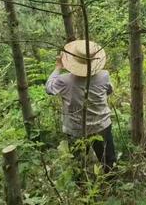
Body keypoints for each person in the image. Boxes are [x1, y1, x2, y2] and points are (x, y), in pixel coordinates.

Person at [45, 39, 116, 173]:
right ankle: (111, 185)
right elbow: (109, 91)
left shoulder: (63, 81)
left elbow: (49, 88)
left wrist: (58, 67)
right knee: (108, 160)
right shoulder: (104, 75)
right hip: (102, 125)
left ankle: (81, 187)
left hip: (76, 129)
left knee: (78, 163)